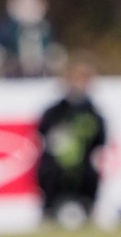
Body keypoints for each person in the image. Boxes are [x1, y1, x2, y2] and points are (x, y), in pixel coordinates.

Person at [36, 52, 107, 226]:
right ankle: (49, 213)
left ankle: (88, 211)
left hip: (82, 164)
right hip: (56, 164)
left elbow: (100, 140)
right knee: (49, 172)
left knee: (90, 175)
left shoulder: (93, 112)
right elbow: (43, 132)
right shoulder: (55, 111)